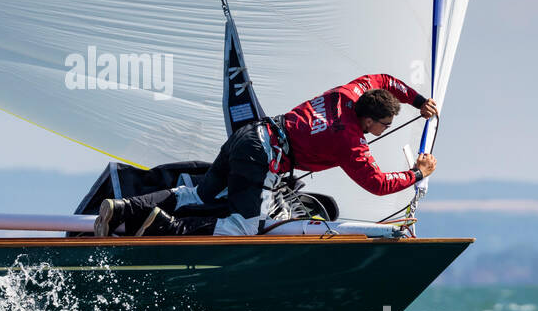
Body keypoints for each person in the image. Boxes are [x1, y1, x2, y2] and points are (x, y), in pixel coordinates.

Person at [94, 73, 439, 237]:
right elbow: (377, 184)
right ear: (367, 119)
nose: (386, 128)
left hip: (248, 134)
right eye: (385, 123)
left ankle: (126, 207)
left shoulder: (350, 92)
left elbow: (383, 79)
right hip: (262, 156)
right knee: (244, 227)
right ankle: (169, 227)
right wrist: (418, 174)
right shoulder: (349, 141)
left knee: (197, 193)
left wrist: (417, 101)